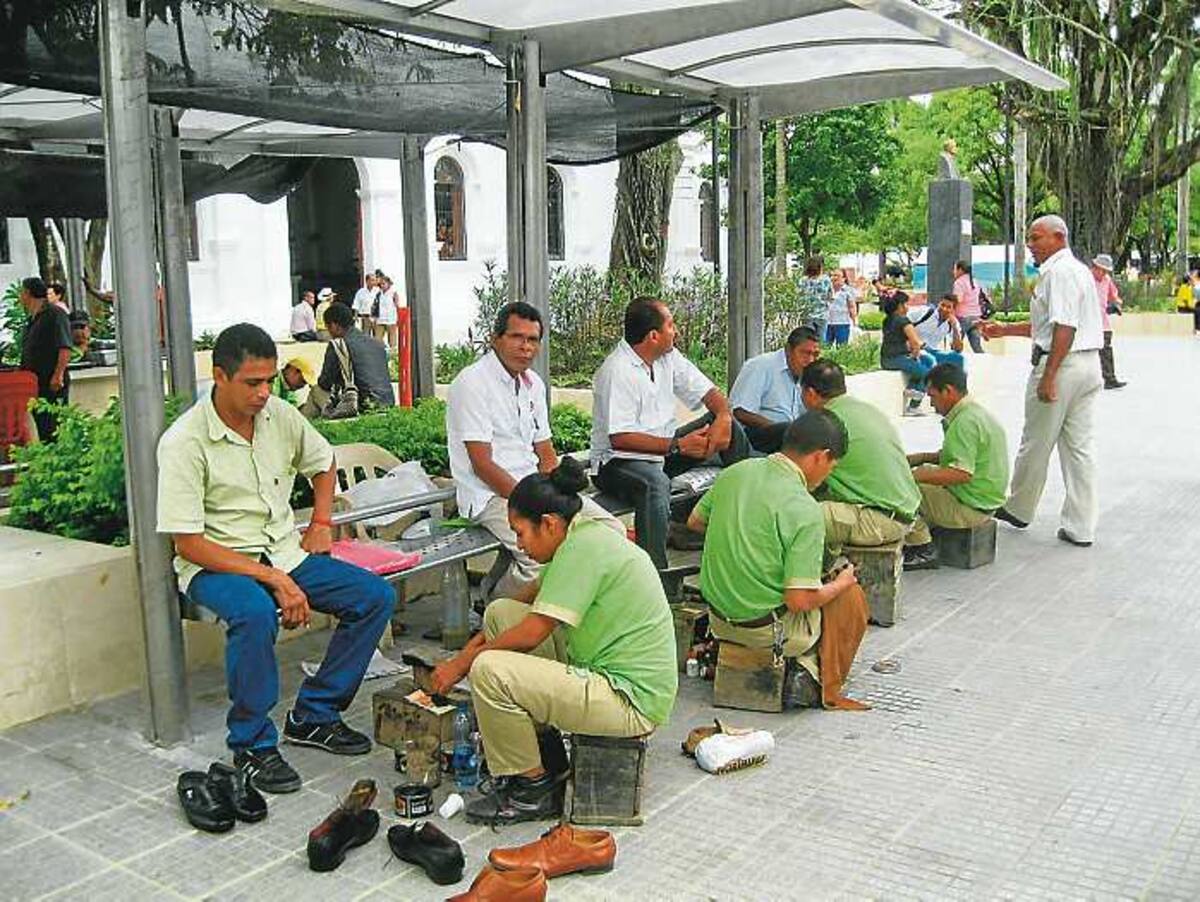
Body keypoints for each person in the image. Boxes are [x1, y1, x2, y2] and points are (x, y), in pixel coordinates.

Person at [156, 323, 396, 793]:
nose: (265, 393)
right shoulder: (184, 441)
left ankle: (314, 713)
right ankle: (251, 744)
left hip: (284, 551)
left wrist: (321, 523)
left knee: (374, 596)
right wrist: (272, 578)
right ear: (219, 376)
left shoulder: (279, 417)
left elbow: (323, 462)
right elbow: (188, 543)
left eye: (269, 380)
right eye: (252, 383)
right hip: (216, 562)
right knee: (254, 611)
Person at [429, 458, 677, 826]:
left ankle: (533, 790)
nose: (518, 544)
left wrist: (463, 664)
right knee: (500, 612)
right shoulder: (581, 535)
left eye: (520, 532)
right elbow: (521, 606)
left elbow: (532, 633)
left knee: (488, 671)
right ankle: (547, 755)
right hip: (608, 675)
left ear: (549, 523)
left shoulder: (582, 550)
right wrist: (467, 649)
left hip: (629, 701)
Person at [686, 410, 868, 710]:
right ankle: (809, 672)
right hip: (766, 632)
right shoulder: (805, 509)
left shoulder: (736, 472)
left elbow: (695, 521)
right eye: (832, 467)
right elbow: (799, 601)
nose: (828, 475)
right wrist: (842, 583)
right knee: (848, 596)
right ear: (821, 457)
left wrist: (740, 533)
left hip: (719, 621)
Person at [447, 301, 622, 600]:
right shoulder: (472, 383)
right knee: (538, 560)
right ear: (495, 338)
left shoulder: (533, 385)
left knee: (610, 530)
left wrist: (559, 494)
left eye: (532, 340)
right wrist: (535, 503)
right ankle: (496, 610)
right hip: (489, 495)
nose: (525, 347)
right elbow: (482, 464)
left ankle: (573, 605)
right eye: (517, 337)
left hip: (535, 487)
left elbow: (545, 452)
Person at [591, 297, 751, 573]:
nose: (675, 331)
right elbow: (620, 438)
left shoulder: (667, 358)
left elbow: (710, 394)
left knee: (731, 428)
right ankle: (655, 577)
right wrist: (678, 445)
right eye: (670, 324)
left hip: (664, 451)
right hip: (616, 463)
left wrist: (723, 417)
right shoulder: (617, 370)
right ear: (653, 335)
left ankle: (745, 525)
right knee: (655, 483)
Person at [981, 213, 1103, 547]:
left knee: (1036, 440)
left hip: (1061, 366)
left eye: (1036, 238)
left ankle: (1019, 507)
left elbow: (1065, 327)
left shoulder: (1059, 272)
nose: (1030, 245)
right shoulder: (1077, 271)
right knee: (1080, 448)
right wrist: (1005, 329)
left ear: (1058, 237)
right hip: (1087, 364)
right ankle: (1081, 526)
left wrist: (1049, 376)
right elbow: (1049, 325)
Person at [799, 360, 922, 555]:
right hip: (905, 513)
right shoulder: (866, 409)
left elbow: (799, 478)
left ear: (810, 393)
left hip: (879, 520)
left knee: (789, 514)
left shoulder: (825, 424)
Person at [902, 364, 1010, 570]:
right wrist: (920, 459)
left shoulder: (964, 423)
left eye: (933, 396)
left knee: (901, 489)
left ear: (949, 391)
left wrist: (917, 475)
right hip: (984, 501)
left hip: (970, 507)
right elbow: (957, 457)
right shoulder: (977, 414)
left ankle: (922, 547)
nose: (931, 404)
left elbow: (960, 473)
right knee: (922, 474)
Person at [728, 325, 820, 453]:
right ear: (788, 350)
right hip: (754, 437)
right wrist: (776, 428)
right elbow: (740, 412)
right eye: (805, 353)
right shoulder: (761, 365)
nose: (810, 360)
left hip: (790, 437)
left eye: (815, 355)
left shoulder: (809, 373)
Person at [18, 277, 72, 442]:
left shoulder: (55, 314)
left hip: (52, 382)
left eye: (22, 292)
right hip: (35, 384)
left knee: (54, 425)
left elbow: (64, 347)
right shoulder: (32, 319)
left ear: (28, 293)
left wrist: (58, 374)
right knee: (42, 425)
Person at [319, 302, 396, 413]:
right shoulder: (377, 344)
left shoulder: (338, 345)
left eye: (328, 327)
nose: (329, 332)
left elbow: (325, 382)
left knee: (317, 392)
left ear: (335, 325)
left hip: (361, 405)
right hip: (387, 402)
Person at [879, 291, 937, 414]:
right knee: (927, 374)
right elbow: (915, 342)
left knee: (925, 363)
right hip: (897, 358)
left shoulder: (887, 320)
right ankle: (914, 403)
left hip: (885, 359)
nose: (908, 307)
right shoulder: (903, 321)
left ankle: (913, 389)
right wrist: (915, 356)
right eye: (906, 304)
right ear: (900, 306)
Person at [1090, 255, 1126, 390]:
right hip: (1088, 321)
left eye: (1106, 271)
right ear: (1095, 267)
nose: (1104, 273)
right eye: (1102, 270)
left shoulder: (1106, 280)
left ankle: (1110, 379)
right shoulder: (1085, 278)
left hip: (1103, 322)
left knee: (1106, 350)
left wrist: (1116, 305)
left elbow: (1114, 296)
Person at [909, 294, 966, 370]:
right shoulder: (925, 312)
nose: (944, 309)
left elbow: (958, 349)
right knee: (929, 360)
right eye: (942, 305)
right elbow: (903, 321)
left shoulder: (953, 323)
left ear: (953, 310)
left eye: (948, 307)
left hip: (932, 351)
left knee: (958, 358)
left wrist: (954, 327)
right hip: (914, 349)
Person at [951, 260, 985, 353]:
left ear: (960, 270)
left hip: (962, 317)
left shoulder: (959, 282)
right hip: (976, 316)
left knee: (956, 346)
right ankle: (985, 362)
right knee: (976, 346)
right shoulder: (974, 281)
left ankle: (954, 365)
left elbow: (959, 299)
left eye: (955, 269)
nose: (953, 272)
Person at [798, 257, 834, 343]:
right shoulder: (826, 280)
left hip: (807, 314)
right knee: (820, 341)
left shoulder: (803, 280)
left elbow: (799, 296)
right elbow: (831, 296)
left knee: (808, 339)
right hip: (822, 315)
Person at [825, 269, 858, 346]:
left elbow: (852, 307)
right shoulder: (826, 289)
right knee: (825, 347)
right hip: (827, 322)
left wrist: (854, 321)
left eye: (837, 276)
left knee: (841, 347)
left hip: (842, 323)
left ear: (844, 278)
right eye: (832, 275)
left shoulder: (848, 290)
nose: (834, 278)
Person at [374, 274, 401, 350]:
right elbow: (375, 306)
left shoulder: (393, 293)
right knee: (377, 339)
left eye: (384, 284)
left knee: (392, 339)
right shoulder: (379, 294)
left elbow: (397, 305)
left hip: (391, 319)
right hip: (380, 319)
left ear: (388, 284)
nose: (382, 286)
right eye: (381, 284)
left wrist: (398, 318)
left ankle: (392, 354)